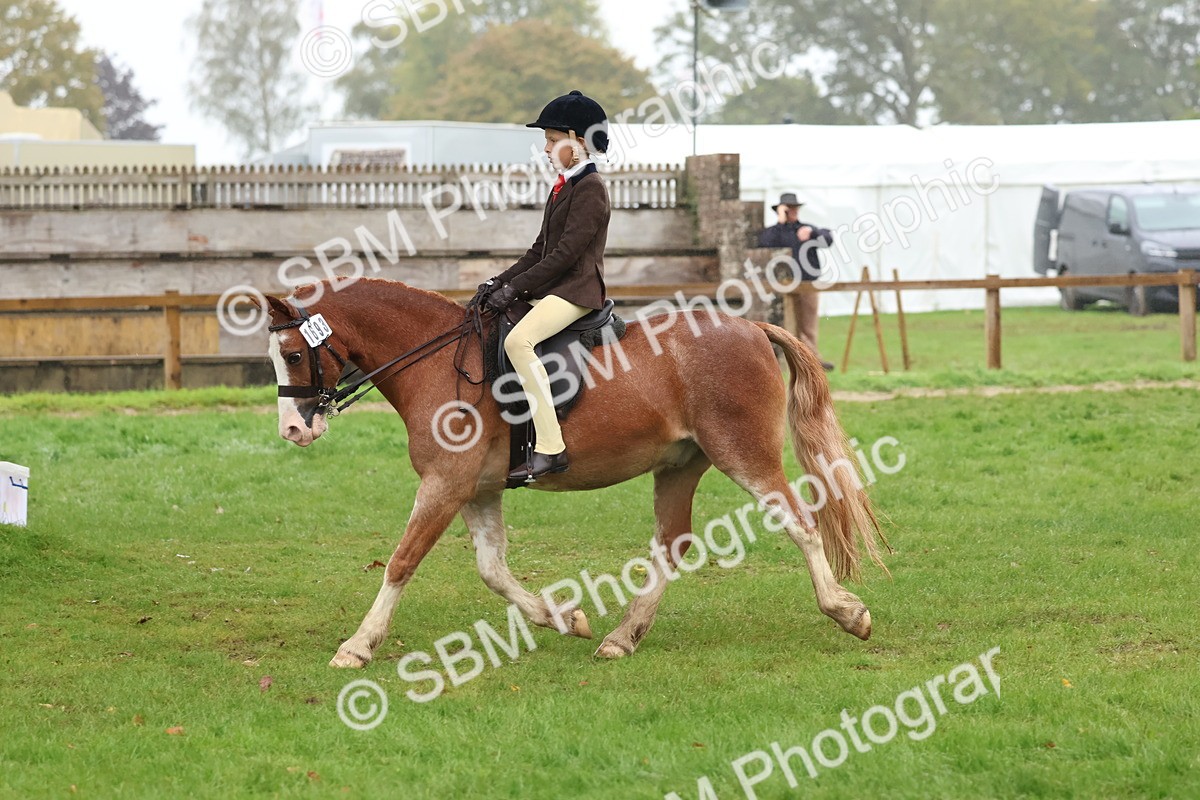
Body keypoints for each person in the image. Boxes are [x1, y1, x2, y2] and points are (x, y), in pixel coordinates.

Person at [479, 90, 611, 483]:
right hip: (557, 289)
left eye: (553, 140)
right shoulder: (564, 185)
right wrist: (499, 281)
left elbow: (566, 255)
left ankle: (551, 447)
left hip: (577, 291)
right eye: (547, 141)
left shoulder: (590, 187)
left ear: (578, 141)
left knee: (518, 342)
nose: (547, 148)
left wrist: (515, 290)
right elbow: (539, 250)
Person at [758, 192, 835, 371]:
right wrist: (781, 222)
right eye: (788, 209)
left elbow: (828, 239)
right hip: (784, 285)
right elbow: (765, 242)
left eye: (794, 208)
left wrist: (813, 233)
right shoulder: (775, 232)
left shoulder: (806, 229)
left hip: (807, 283)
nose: (792, 211)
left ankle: (813, 359)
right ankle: (796, 360)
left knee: (808, 324)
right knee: (787, 324)